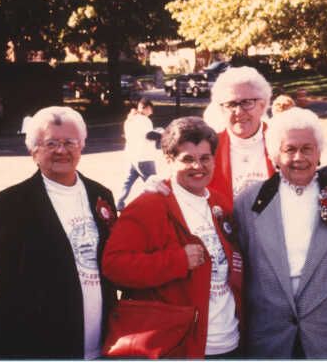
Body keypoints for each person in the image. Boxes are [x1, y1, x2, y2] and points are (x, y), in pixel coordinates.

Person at [0, 106, 117, 359]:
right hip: (42, 344)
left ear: (81, 146)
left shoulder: (101, 195)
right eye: (50, 143)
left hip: (102, 342)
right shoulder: (9, 204)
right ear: (34, 151)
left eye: (70, 142)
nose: (61, 150)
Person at [102, 117, 244, 358]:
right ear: (168, 161)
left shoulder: (221, 203)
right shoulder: (149, 205)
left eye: (205, 158)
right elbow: (114, 267)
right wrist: (177, 261)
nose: (198, 166)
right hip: (179, 344)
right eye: (187, 159)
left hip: (230, 341)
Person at [233, 107, 327, 358]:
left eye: (307, 148)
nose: (299, 157)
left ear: (319, 152)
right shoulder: (250, 202)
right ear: (275, 154)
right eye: (289, 149)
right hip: (270, 340)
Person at [149, 66, 327, 210]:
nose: (239, 112)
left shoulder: (284, 141)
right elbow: (181, 179)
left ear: (263, 105)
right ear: (221, 108)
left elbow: (308, 173)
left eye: (247, 102)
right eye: (231, 104)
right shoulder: (207, 146)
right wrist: (157, 184)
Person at [116, 97, 157, 211]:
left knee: (128, 182)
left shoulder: (129, 119)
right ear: (147, 108)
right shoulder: (144, 120)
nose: (151, 112)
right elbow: (149, 135)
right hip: (144, 156)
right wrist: (163, 135)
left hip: (131, 156)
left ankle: (118, 203)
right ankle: (152, 206)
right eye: (151, 109)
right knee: (153, 183)